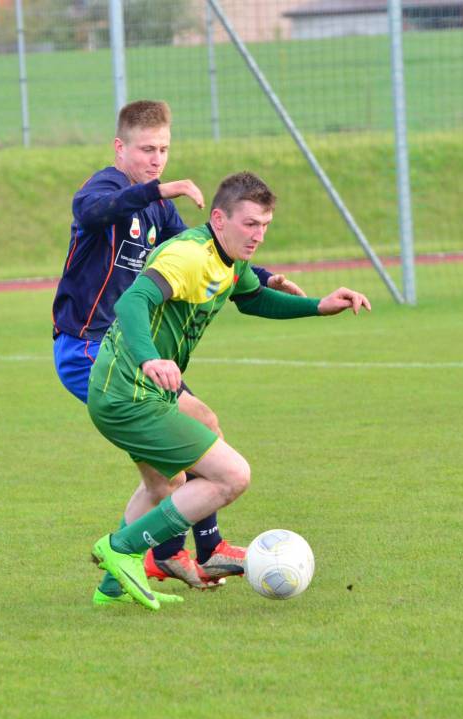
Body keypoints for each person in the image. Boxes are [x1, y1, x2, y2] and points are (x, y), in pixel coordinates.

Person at [50, 100, 304, 602]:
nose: (157, 160)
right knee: (179, 466)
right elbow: (90, 212)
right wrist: (156, 190)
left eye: (164, 150)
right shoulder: (106, 188)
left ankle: (117, 584)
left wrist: (263, 275)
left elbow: (204, 247)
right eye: (147, 149)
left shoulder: (160, 209)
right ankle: (184, 551)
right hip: (88, 348)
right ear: (119, 148)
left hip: (129, 345)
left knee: (171, 471)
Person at [86, 171, 371, 610]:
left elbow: (254, 298)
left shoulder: (230, 259)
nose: (258, 235)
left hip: (138, 391)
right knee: (232, 475)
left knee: (166, 481)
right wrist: (149, 359)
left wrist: (318, 306)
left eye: (265, 225)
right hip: (128, 393)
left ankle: (113, 588)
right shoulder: (189, 256)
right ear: (219, 219)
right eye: (250, 224)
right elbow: (131, 301)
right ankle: (122, 548)